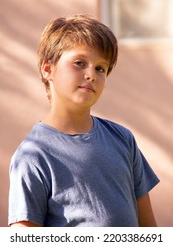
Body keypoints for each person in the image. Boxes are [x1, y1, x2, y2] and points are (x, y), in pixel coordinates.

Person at [8, 14, 159, 227]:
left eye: (100, 68)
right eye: (79, 63)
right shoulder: (33, 155)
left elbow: (149, 229)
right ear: (48, 69)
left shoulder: (123, 139)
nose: (91, 74)